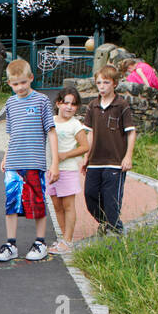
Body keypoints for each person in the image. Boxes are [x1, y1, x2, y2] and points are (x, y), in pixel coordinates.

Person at [0, 58, 58, 262]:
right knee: (11, 202)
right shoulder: (10, 103)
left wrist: (54, 162)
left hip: (34, 162)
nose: (19, 87)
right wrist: (6, 156)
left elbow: (51, 132)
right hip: (14, 161)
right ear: (9, 84)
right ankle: (11, 243)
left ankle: (40, 242)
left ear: (31, 78)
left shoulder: (41, 101)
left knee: (36, 201)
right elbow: (12, 134)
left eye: (23, 82)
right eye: (15, 84)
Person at [80, 65, 137, 235]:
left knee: (111, 199)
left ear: (115, 84)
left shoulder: (122, 105)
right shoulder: (93, 106)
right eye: (99, 83)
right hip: (95, 161)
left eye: (106, 82)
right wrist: (86, 156)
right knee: (90, 196)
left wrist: (128, 157)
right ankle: (105, 222)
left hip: (115, 162)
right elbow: (90, 133)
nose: (102, 86)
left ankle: (115, 230)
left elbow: (131, 132)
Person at [48, 88, 89, 254]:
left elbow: (85, 146)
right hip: (51, 170)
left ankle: (68, 241)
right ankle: (63, 239)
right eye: (66, 103)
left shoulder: (75, 125)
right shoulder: (50, 121)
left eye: (73, 104)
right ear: (58, 103)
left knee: (68, 205)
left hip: (68, 170)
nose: (69, 107)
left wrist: (65, 155)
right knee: (57, 205)